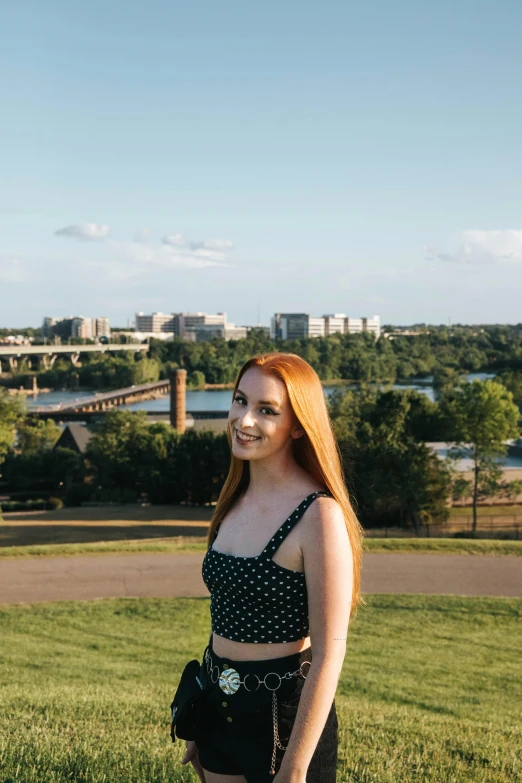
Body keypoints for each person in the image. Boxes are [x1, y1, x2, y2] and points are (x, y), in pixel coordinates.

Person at [181, 351, 363, 783]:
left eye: (266, 410)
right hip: (217, 706)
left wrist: (297, 765)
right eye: (240, 401)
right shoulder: (234, 500)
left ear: (298, 424)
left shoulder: (318, 516)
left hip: (283, 721)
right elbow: (224, 610)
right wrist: (199, 710)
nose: (244, 420)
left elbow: (328, 654)